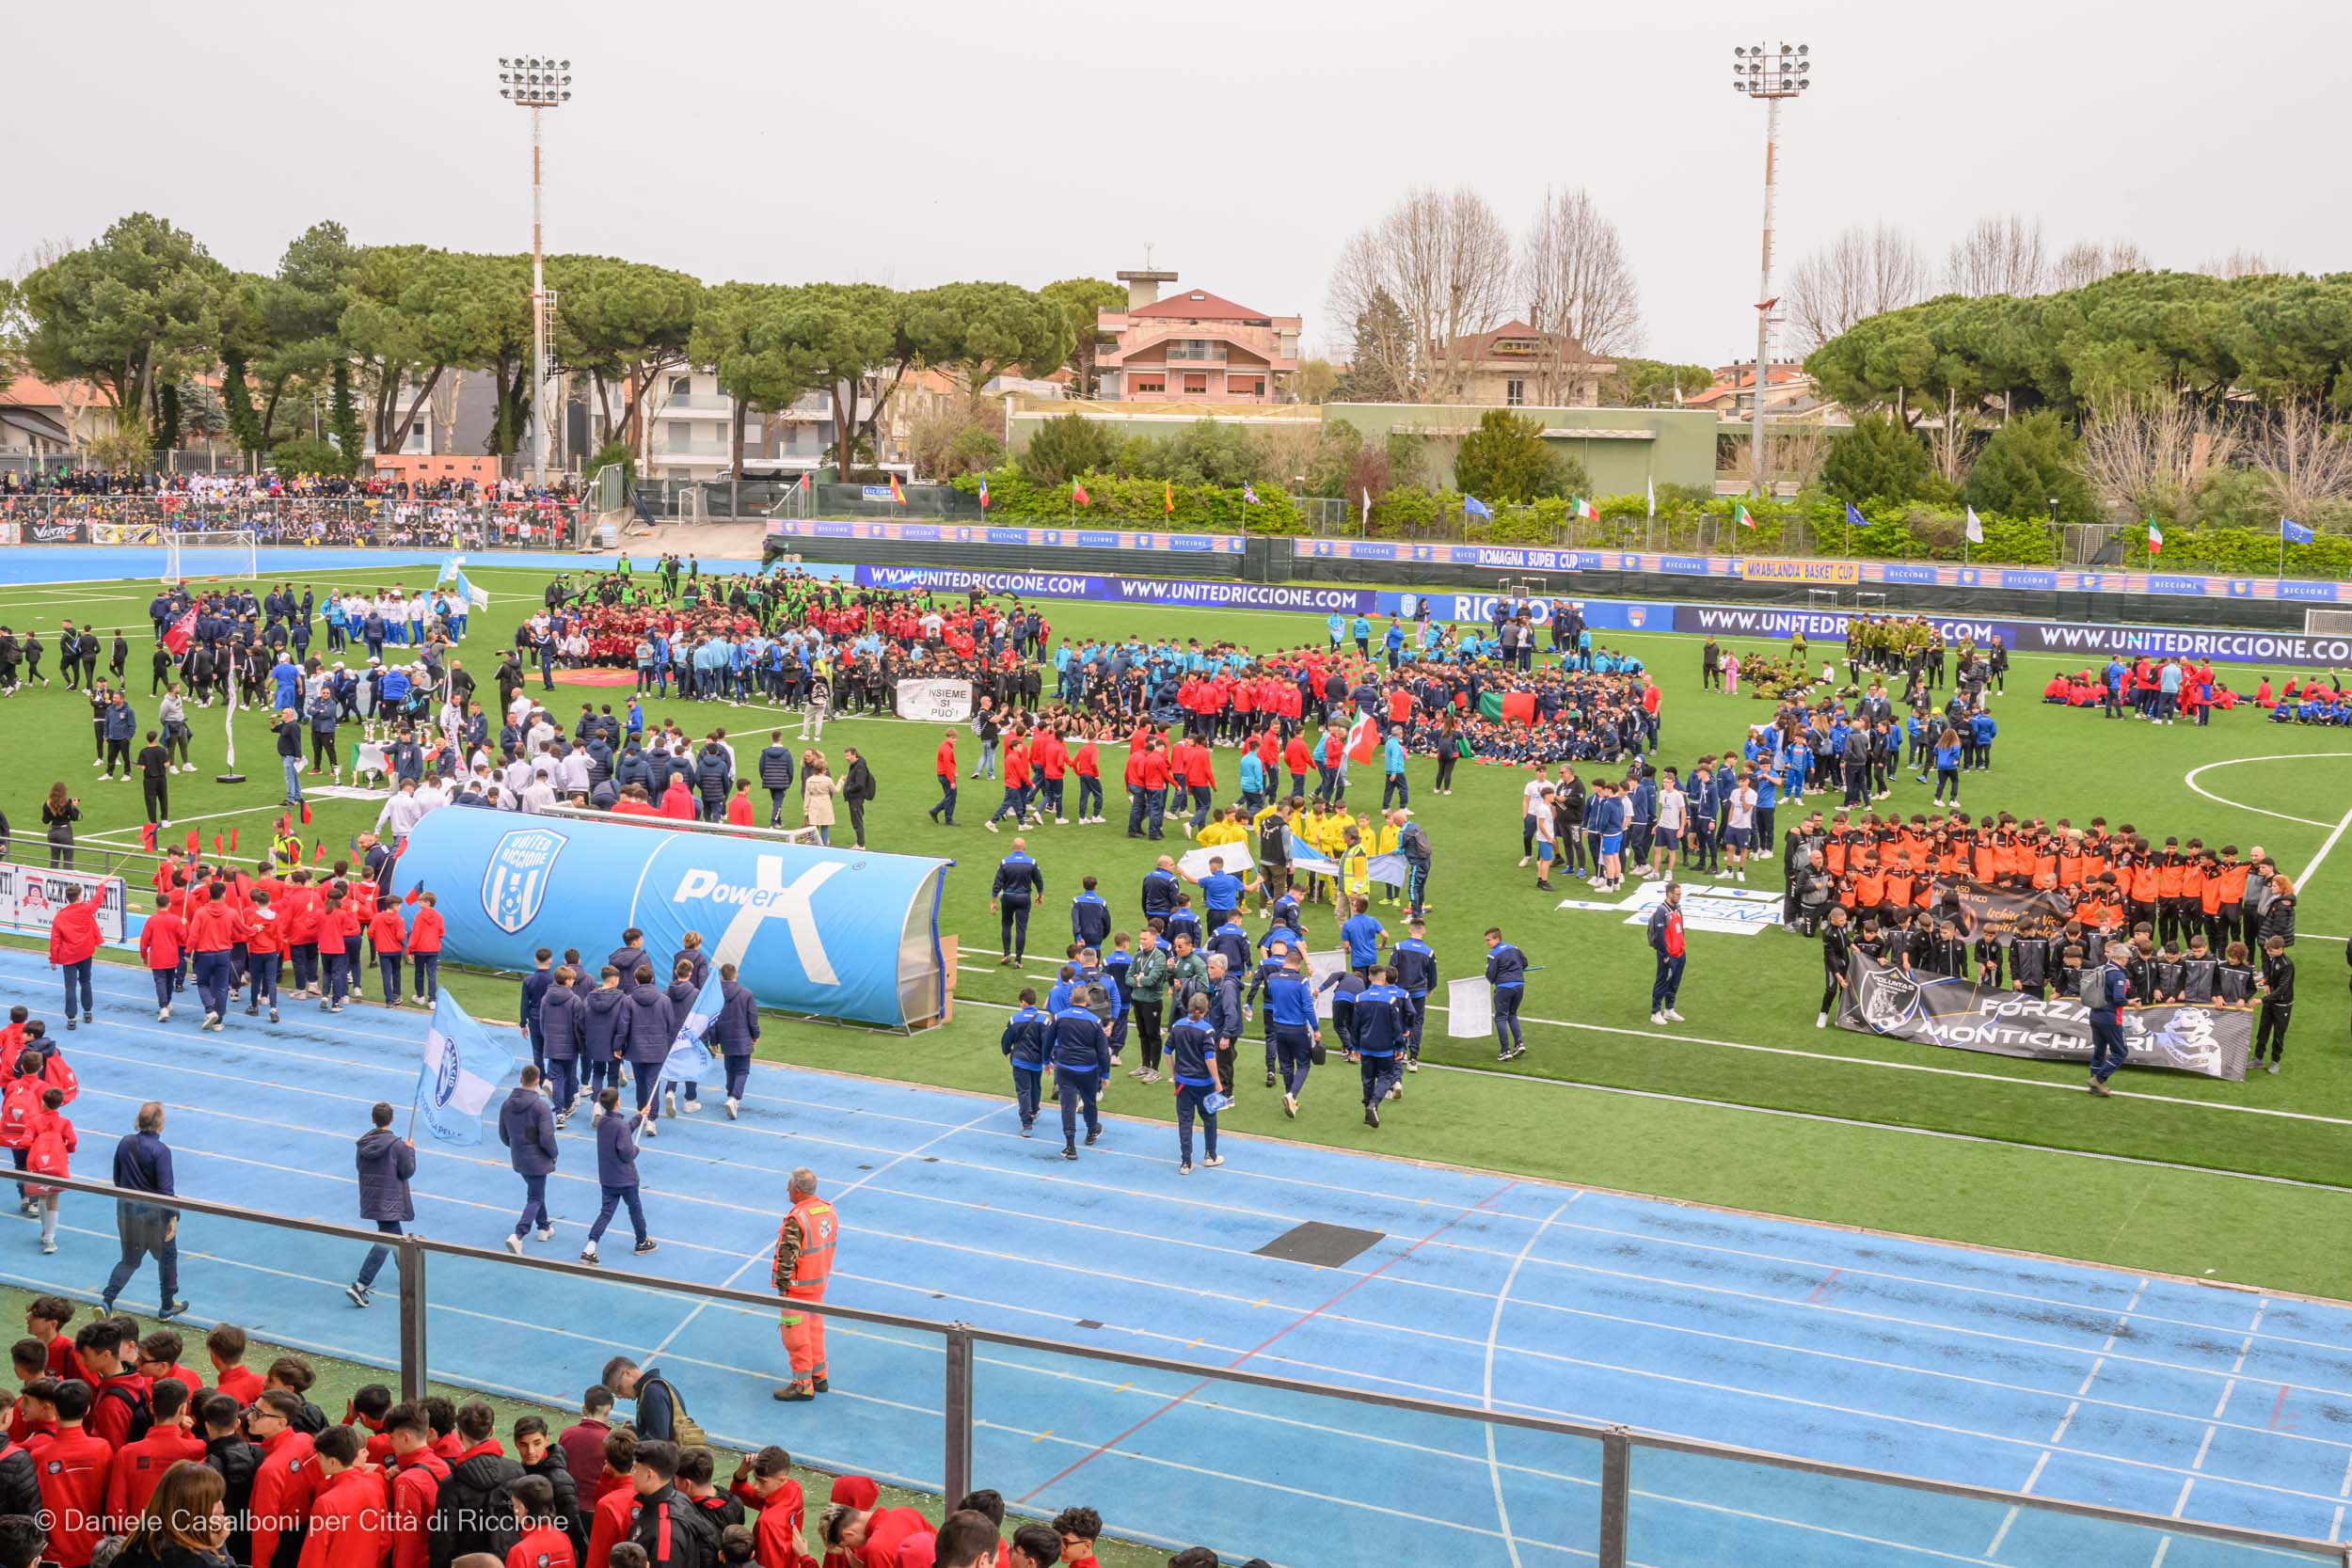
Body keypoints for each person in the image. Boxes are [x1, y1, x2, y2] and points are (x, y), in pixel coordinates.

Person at [101, 1101, 187, 1320]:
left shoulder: (125, 1142)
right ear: (159, 1124)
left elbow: (118, 1178)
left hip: (126, 1213)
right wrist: (173, 1216)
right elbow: (166, 1191)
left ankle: (107, 1301)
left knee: (129, 1259)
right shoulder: (161, 1151)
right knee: (167, 1257)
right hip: (154, 1217)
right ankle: (166, 1305)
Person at [770, 1166, 837, 1403]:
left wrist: (781, 1286)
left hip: (796, 1289)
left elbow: (788, 1255)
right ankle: (819, 1376)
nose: (787, 1190)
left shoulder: (797, 1218)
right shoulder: (828, 1210)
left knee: (795, 1337)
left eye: (789, 1187)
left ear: (797, 1190)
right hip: (817, 1285)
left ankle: (802, 1385)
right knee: (815, 1332)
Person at [112, 1452, 238, 1568]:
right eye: (214, 1501)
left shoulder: (132, 1550)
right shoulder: (195, 1561)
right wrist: (219, 1547)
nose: (221, 1509)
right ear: (191, 1508)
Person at [345, 1101, 415, 1307]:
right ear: (392, 1119)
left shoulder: (363, 1143)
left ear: (372, 1119)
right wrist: (410, 1151)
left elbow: (360, 1167)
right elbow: (407, 1171)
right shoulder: (398, 1145)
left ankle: (408, 1271)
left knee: (394, 1234)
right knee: (387, 1239)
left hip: (372, 1197)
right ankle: (361, 1284)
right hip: (391, 1199)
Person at [629, 1441, 719, 1568]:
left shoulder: (665, 1530)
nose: (631, 1473)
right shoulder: (678, 1497)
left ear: (649, 1474)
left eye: (635, 1468)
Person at [501, 1065, 559, 1255]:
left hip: (519, 1156)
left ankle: (543, 1227)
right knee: (535, 1197)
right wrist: (553, 1153)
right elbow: (547, 1137)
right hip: (538, 1158)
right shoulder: (540, 1106)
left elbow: (503, 1134)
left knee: (536, 1191)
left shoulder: (507, 1105)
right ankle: (518, 1234)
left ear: (520, 1079)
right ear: (537, 1080)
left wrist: (517, 1147)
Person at [1050, 984, 1112, 1161]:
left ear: (1071, 1000)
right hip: (1088, 1069)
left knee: (1068, 1106)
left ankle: (1070, 1145)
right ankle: (1091, 1131)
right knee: (1089, 1101)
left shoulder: (1059, 1017)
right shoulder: (1095, 1021)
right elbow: (1102, 1050)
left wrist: (1047, 1060)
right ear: (1088, 1000)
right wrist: (1105, 1074)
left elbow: (1048, 1040)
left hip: (1065, 1068)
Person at [48, 881, 102, 1029]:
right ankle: (88, 1011)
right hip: (85, 952)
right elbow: (97, 900)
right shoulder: (85, 909)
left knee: (70, 987)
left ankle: (71, 1019)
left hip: (69, 956)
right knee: (86, 981)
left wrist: (53, 958)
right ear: (79, 897)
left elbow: (55, 940)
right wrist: (102, 885)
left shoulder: (60, 916)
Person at [2082, 942, 2131, 1097]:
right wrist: (2130, 1002)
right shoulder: (2118, 974)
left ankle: (2094, 1085)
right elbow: (2118, 998)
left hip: (2095, 1015)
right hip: (2110, 1018)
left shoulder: (2101, 968)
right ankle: (2098, 1080)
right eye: (2127, 958)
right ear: (2122, 958)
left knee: (2099, 1051)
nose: (2127, 961)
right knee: (2121, 1052)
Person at [989, 836, 1042, 966]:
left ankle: (1006, 954)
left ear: (1013, 847)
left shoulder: (1005, 863)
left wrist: (993, 901)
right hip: (1024, 898)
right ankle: (1018, 960)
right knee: (1021, 929)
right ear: (1024, 847)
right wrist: (1040, 895)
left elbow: (997, 883)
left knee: (1006, 925)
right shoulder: (1031, 862)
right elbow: (1038, 880)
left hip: (1008, 896)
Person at [1484, 927, 1528, 1062]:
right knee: (1512, 1014)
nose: (1487, 943)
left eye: (1489, 940)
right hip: (1519, 985)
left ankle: (1505, 1050)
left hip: (1504, 988)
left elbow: (1490, 977)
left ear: (1497, 939)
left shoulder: (1493, 955)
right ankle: (1519, 1043)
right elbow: (1525, 964)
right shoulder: (1515, 949)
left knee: (1500, 1018)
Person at [1646, 881, 1687, 1026]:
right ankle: (1655, 1012)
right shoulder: (1661, 912)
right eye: (1677, 894)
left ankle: (1669, 1009)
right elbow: (1659, 937)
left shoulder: (1678, 908)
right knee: (1662, 982)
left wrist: (1682, 947)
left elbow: (1681, 929)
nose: (1679, 896)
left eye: (1680, 894)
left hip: (1680, 953)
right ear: (1669, 893)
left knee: (1674, 982)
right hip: (1668, 955)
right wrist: (1665, 955)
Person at [2255, 933, 2295, 1074]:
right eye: (2267, 950)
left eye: (2271, 950)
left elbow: (2282, 989)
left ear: (2280, 949)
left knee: (2278, 1035)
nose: (2268, 952)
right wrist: (2267, 983)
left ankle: (2275, 1061)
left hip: (2282, 1004)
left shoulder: (2287, 965)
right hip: (2270, 1001)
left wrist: (2262, 1000)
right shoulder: (2272, 959)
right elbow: (2271, 976)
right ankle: (2258, 1059)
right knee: (2263, 1030)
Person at [839, 747, 875, 850]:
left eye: (848, 755)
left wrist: (848, 789)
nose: (846, 758)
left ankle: (861, 845)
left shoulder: (859, 767)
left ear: (855, 755)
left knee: (857, 821)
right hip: (854, 798)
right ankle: (859, 843)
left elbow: (859, 784)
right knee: (856, 820)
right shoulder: (856, 765)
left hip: (856, 798)